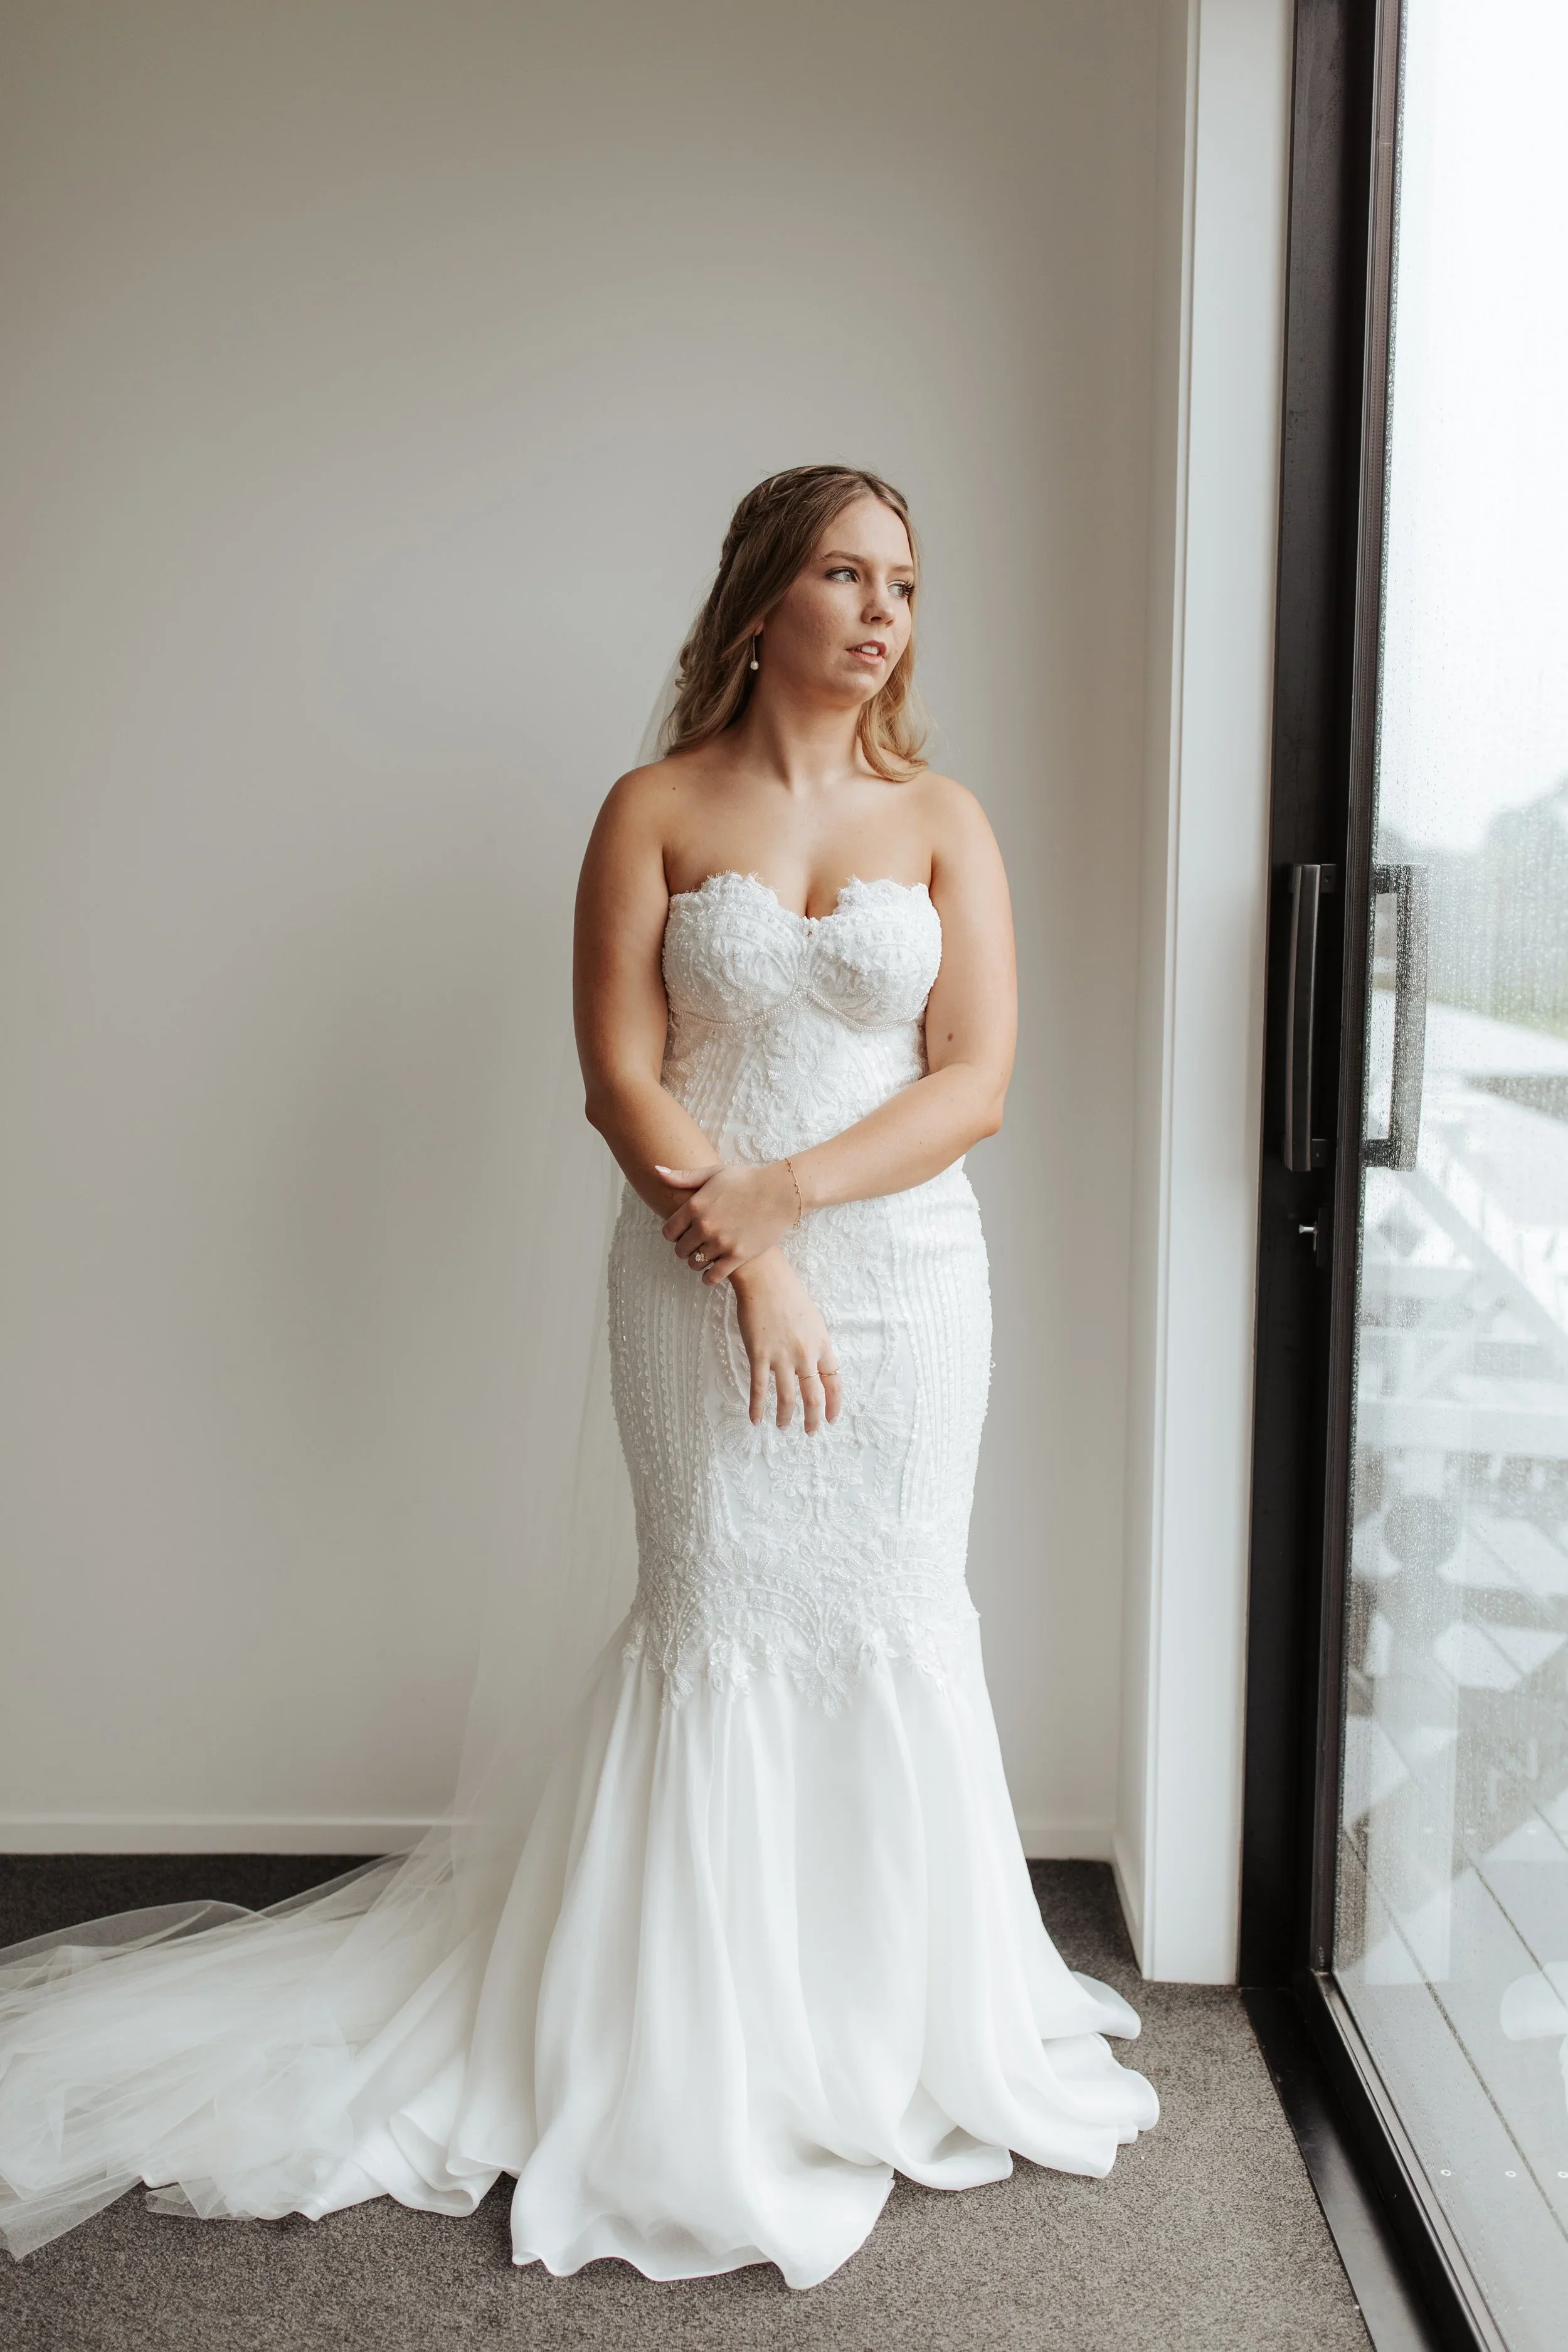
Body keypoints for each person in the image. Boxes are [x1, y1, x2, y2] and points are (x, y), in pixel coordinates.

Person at [0, 464, 1157, 2287]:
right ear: (757, 599)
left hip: (916, 1289)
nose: (880, 615)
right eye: (842, 576)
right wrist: (747, 1249)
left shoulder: (945, 815)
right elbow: (623, 1075)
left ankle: (888, 2022)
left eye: (906, 585)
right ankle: (686, 2043)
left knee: (891, 1606)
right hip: (695, 1277)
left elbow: (974, 1080)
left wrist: (790, 1200)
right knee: (716, 1607)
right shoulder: (653, 807)